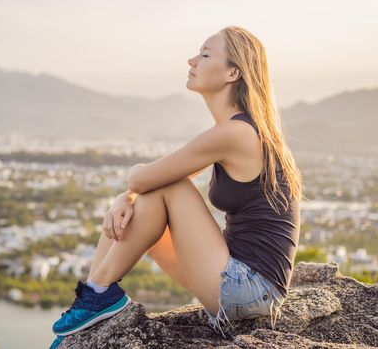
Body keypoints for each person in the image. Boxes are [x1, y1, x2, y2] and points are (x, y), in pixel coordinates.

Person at [51, 25, 302, 342]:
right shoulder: (237, 130)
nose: (191, 60)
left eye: (205, 54)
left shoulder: (236, 133)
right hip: (239, 284)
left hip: (251, 289)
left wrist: (129, 191)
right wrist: (124, 199)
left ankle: (96, 295)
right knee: (138, 207)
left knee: (171, 187)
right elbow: (142, 187)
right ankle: (91, 302)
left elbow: (144, 178)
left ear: (233, 72)